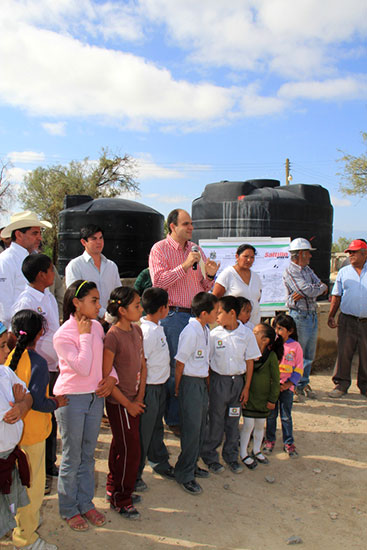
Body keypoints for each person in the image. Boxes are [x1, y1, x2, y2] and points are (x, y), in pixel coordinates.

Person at [53, 281, 116, 532]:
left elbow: (103, 364)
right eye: (94, 300)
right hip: (71, 399)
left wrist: (112, 378)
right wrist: (84, 335)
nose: (99, 305)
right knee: (72, 455)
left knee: (88, 454)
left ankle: (85, 503)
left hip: (94, 398)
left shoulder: (98, 329)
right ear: (77, 303)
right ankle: (69, 508)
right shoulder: (64, 334)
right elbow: (82, 366)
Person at [149, 209, 219, 430]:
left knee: (195, 367)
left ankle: (190, 416)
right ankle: (174, 420)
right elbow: (158, 283)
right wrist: (185, 266)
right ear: (172, 226)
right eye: (186, 224)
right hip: (174, 316)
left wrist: (209, 275)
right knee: (174, 369)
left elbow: (204, 288)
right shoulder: (159, 249)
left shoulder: (196, 249)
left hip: (196, 318)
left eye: (191, 224)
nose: (191, 228)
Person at [6, 310, 67, 550]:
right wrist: (56, 402)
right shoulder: (38, 363)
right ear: (40, 333)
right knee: (32, 488)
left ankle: (17, 524)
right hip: (32, 435)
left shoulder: (10, 356)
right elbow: (38, 402)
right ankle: (26, 537)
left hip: (13, 435)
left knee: (14, 484)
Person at [12, 254, 60, 479]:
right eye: (52, 270)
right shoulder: (26, 301)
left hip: (52, 364)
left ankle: (49, 464)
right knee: (38, 411)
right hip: (36, 369)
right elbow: (18, 335)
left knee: (50, 417)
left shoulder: (48, 296)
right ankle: (34, 468)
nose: (54, 274)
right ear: (42, 274)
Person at [201, 296, 260, 474]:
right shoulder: (214, 335)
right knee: (216, 420)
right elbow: (209, 363)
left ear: (232, 313)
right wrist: (210, 386)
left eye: (220, 313)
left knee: (233, 421)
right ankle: (210, 456)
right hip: (219, 383)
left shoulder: (246, 334)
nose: (217, 317)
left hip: (237, 384)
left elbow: (250, 362)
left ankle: (231, 457)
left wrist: (246, 388)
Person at [103, 287, 147, 519]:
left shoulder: (137, 331)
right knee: (132, 451)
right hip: (119, 403)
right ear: (121, 310)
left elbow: (143, 365)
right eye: (136, 306)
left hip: (134, 401)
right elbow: (106, 376)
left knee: (122, 446)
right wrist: (128, 404)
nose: (141, 309)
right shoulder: (113, 336)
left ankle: (114, 487)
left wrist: (139, 398)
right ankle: (122, 498)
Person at [174, 292, 218, 495]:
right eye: (215, 312)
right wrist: (178, 387)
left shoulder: (205, 329)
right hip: (190, 383)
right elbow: (180, 362)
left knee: (201, 426)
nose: (218, 315)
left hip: (200, 383)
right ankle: (184, 473)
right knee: (191, 429)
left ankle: (192, 464)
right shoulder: (191, 332)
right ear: (203, 313)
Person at [135, 287, 174, 492]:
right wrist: (141, 394)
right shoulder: (146, 332)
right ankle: (135, 473)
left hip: (160, 386)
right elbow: (142, 365)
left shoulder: (157, 327)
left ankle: (159, 461)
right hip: (148, 389)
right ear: (162, 308)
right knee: (144, 431)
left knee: (157, 427)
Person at [282, 238, 327, 402]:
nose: (310, 256)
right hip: (299, 315)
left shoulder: (307, 270)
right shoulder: (290, 271)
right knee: (297, 352)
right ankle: (293, 385)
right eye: (308, 253)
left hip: (311, 314)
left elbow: (322, 286)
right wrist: (314, 289)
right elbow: (305, 289)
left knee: (309, 353)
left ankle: (303, 383)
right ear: (300, 254)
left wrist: (314, 290)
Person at [0, 321, 32, 542]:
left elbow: (27, 396)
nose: (7, 351)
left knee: (6, 518)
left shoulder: (4, 373)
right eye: (2, 346)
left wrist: (21, 407)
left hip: (8, 458)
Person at [328, 239, 367, 398]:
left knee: (366, 354)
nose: (350, 255)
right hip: (347, 320)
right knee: (344, 352)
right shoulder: (344, 272)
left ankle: (365, 386)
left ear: (364, 254)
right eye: (349, 252)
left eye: (354, 252)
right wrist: (331, 315)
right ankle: (341, 384)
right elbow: (336, 296)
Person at [240, 322, 282, 469]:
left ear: (265, 340)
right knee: (248, 425)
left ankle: (256, 450)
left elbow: (276, 380)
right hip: (249, 399)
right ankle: (243, 452)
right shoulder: (247, 353)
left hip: (263, 400)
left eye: (256, 333)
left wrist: (272, 399)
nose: (252, 334)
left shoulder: (270, 357)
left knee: (259, 425)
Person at [0, 211, 52, 328]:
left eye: (39, 233)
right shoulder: (5, 261)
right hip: (19, 332)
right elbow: (4, 305)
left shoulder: (35, 258)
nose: (39, 237)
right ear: (18, 235)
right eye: (34, 233)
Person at [263, 314, 304, 458]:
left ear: (290, 330)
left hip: (287, 389)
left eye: (280, 328)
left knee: (286, 416)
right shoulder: (271, 345)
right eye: (275, 327)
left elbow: (299, 368)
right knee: (271, 415)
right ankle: (269, 440)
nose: (276, 331)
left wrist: (289, 384)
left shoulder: (295, 347)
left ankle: (288, 442)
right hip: (272, 387)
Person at [64, 224, 121, 320]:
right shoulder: (75, 266)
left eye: (101, 238)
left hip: (111, 321)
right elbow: (76, 296)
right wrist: (103, 314)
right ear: (83, 242)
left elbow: (118, 293)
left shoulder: (111, 266)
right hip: (87, 324)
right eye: (94, 239)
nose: (99, 242)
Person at [212, 244, 262, 325]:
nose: (249, 260)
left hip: (253, 325)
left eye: (252, 257)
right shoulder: (227, 274)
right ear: (237, 256)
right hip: (232, 326)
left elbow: (257, 299)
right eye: (245, 256)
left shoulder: (256, 277)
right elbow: (215, 298)